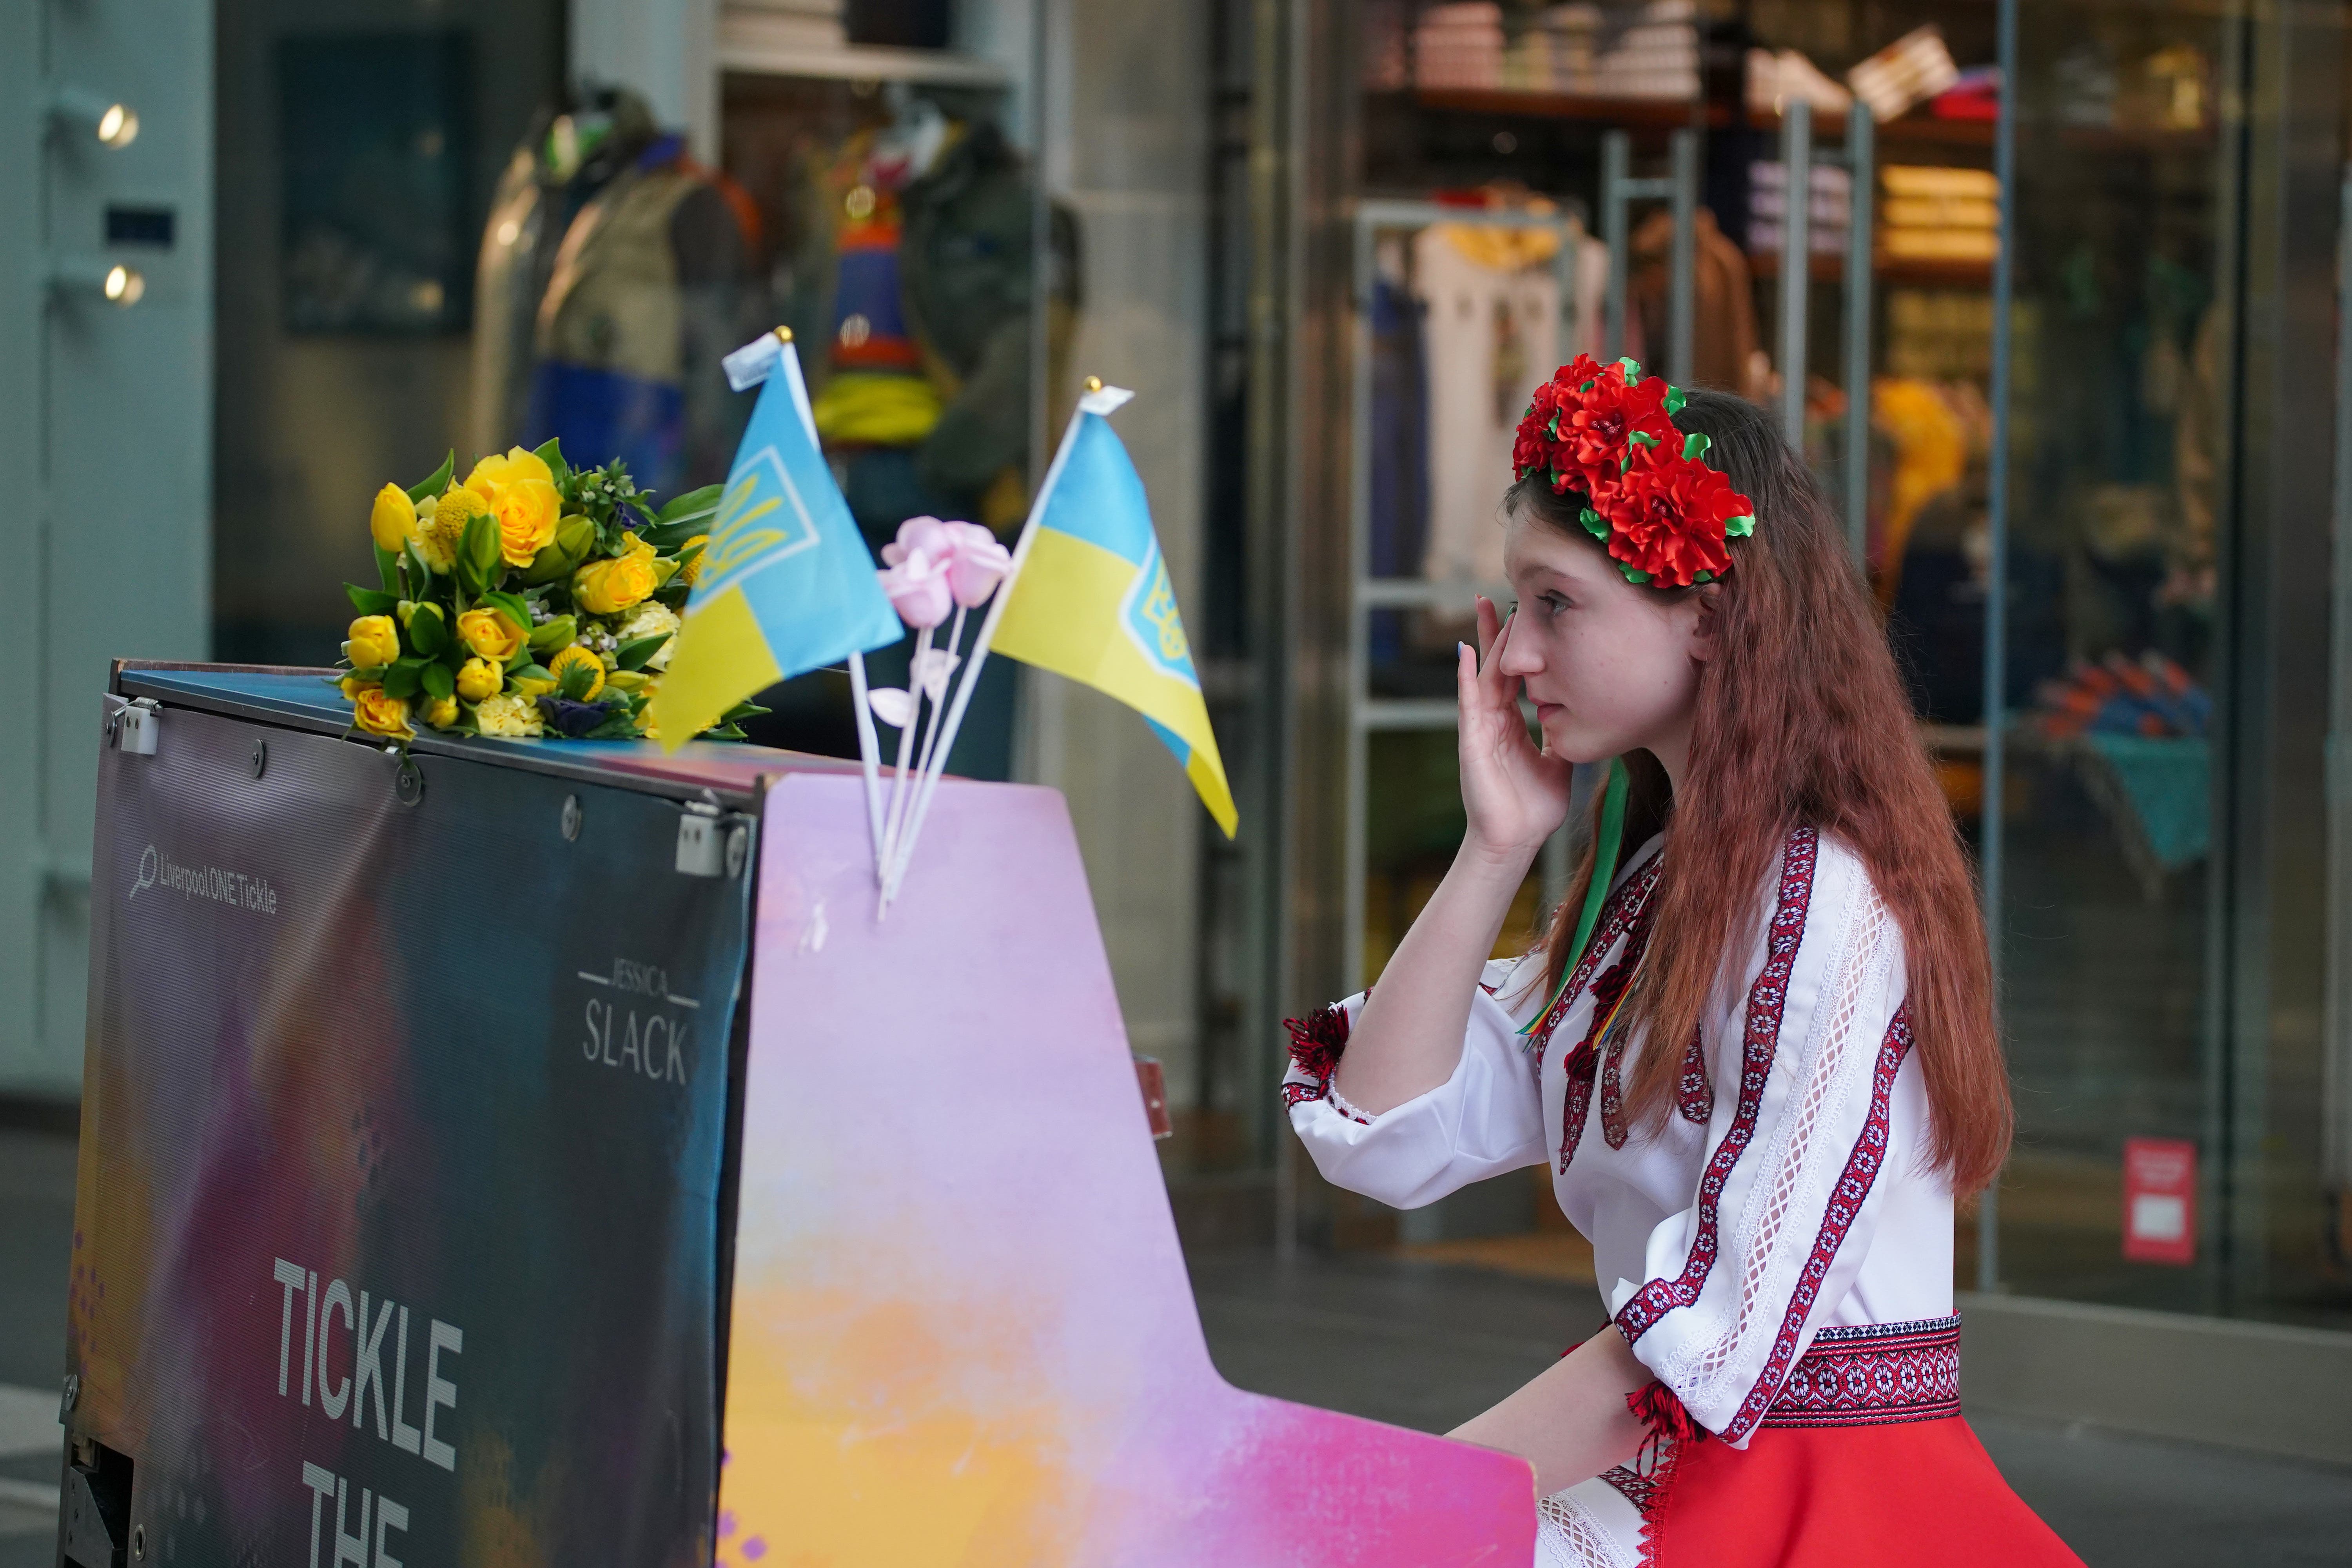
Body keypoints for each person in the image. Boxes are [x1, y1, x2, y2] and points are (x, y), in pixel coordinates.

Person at [1282, 363, 2082, 1566]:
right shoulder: (1664, 886)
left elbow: (1720, 1330)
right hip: (1678, 1454)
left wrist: (1407, 1498)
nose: (1510, 660)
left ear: (1708, 615)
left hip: (1814, 1494)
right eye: (1518, 607)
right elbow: (1387, 1128)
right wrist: (1496, 848)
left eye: (1557, 605)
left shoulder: (1826, 899)